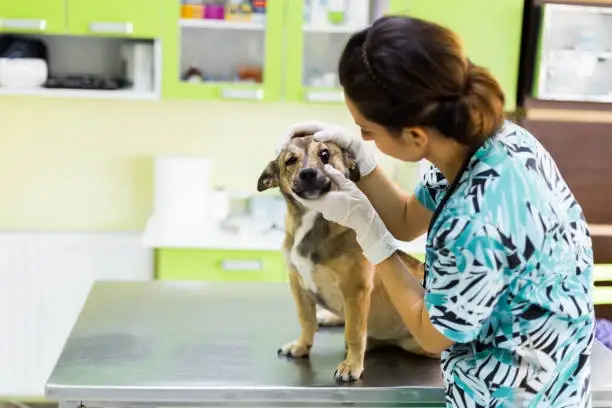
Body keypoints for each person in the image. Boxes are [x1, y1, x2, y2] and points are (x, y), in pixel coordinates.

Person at [277, 15, 595, 408]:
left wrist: (371, 236)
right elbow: (409, 219)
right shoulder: (495, 143)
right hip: (560, 376)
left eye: (367, 131)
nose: (361, 138)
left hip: (512, 396)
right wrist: (364, 163)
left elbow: (432, 334)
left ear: (414, 136)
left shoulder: (474, 222)